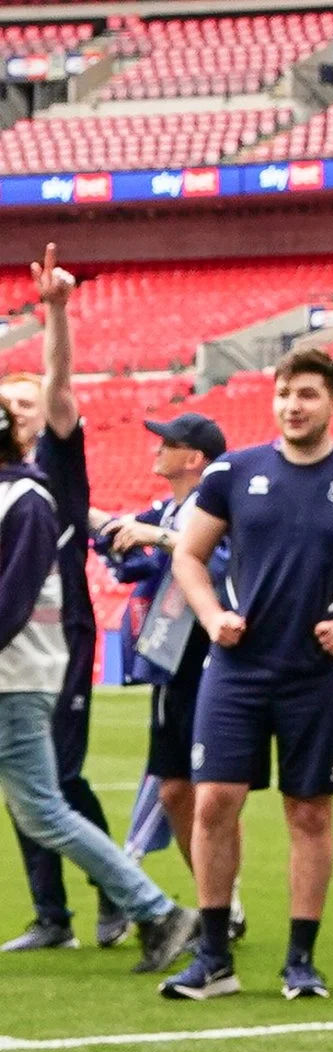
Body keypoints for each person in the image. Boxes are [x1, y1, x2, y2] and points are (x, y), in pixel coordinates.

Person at [161, 348, 333, 1001]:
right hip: (237, 667)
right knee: (214, 801)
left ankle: (300, 961)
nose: (293, 404)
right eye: (285, 392)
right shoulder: (235, 470)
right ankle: (214, 959)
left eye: (307, 393)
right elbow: (189, 555)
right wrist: (210, 615)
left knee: (308, 810)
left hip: (316, 672)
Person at [0, 389, 200, 976]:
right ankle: (142, 910)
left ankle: (155, 910)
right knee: (41, 805)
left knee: (42, 807)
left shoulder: (25, 499)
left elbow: (11, 603)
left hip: (17, 677)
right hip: (17, 675)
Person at [0, 246, 118, 952]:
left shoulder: (56, 459)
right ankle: (52, 915)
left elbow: (59, 378)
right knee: (24, 785)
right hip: (15, 648)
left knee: (61, 776)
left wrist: (55, 311)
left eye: (25, 402)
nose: (17, 411)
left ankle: (117, 894)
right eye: (7, 404)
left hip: (59, 634)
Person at [84, 409, 229, 935]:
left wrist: (156, 538)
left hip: (201, 655)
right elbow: (127, 538)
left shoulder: (209, 506)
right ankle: (219, 907)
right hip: (176, 660)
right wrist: (87, 514)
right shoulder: (171, 508)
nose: (155, 450)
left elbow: (222, 558)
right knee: (179, 788)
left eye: (166, 443)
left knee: (200, 789)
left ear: (193, 457)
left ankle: (143, 881)